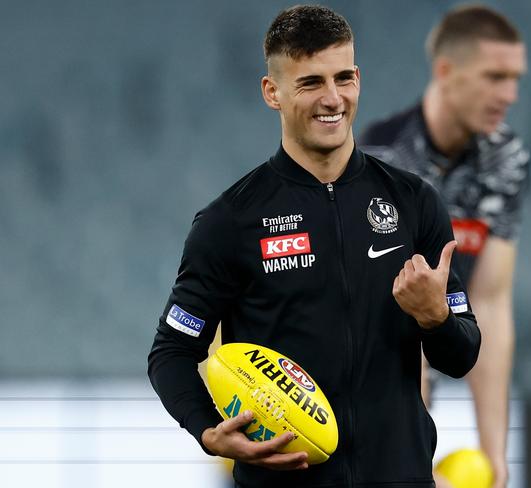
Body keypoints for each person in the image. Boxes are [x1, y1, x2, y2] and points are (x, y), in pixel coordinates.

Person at [148, 5, 480, 488]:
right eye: (310, 83)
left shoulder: (413, 203)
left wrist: (437, 318)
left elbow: (462, 356)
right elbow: (172, 351)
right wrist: (206, 430)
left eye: (344, 78)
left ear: (358, 79)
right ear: (272, 93)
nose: (332, 98)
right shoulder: (230, 221)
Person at [359, 5, 529, 488]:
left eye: (515, 79)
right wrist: (410, 450)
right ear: (446, 72)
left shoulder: (508, 159)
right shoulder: (384, 162)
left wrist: (495, 453)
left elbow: (490, 302)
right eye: (495, 77)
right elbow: (386, 321)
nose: (509, 95)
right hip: (363, 402)